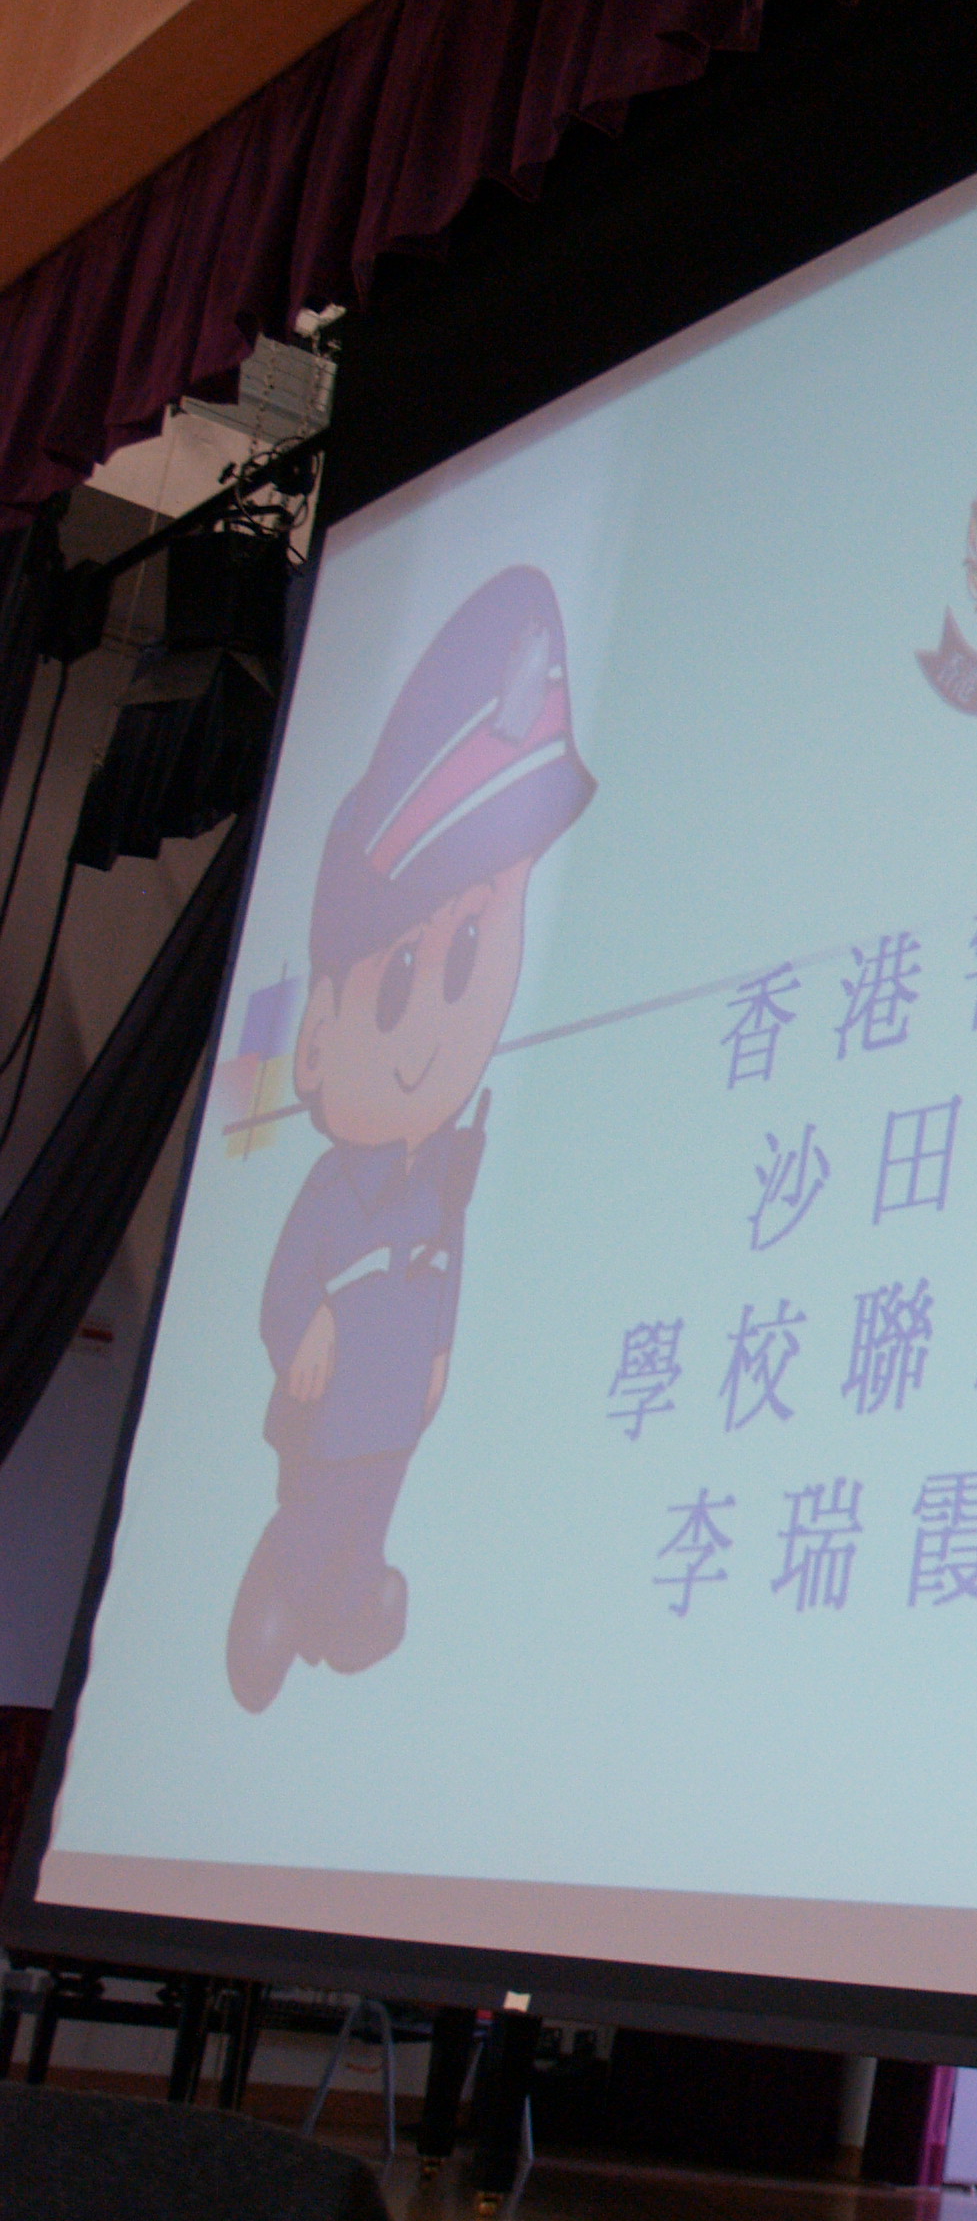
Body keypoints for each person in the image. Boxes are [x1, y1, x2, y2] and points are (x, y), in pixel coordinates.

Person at [226, 565, 596, 1713]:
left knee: (371, 1510)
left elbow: (450, 1260)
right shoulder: (336, 1186)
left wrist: (437, 1353)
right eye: (395, 983)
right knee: (317, 1506)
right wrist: (305, 1326)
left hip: (394, 1403)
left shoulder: (445, 1173)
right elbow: (289, 1282)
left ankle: (344, 1599)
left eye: (476, 945)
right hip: (336, 1400)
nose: (435, 1033)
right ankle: (288, 1593)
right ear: (318, 1043)